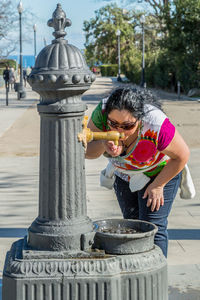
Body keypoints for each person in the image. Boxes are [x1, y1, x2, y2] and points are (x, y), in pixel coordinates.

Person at [85, 87, 190, 257]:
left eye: (127, 126)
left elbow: (182, 155)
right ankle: (136, 269)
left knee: (153, 226)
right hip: (126, 173)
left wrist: (158, 185)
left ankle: (156, 276)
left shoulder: (156, 124)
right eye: (113, 124)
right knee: (132, 224)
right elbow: (88, 152)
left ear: (140, 120)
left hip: (161, 171)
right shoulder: (102, 111)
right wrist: (104, 142)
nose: (119, 131)